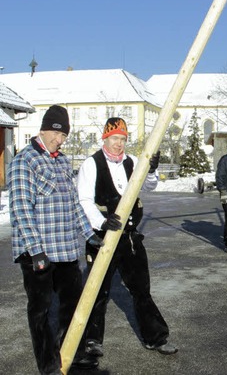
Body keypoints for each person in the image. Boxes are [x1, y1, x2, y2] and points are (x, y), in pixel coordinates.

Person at [8, 105, 99, 373]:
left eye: (63, 136)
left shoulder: (61, 160)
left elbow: (74, 205)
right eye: (56, 134)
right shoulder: (25, 161)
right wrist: (36, 252)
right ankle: (48, 365)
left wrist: (90, 235)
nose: (59, 140)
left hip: (66, 251)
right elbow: (21, 209)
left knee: (72, 305)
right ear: (44, 129)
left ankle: (74, 351)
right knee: (41, 312)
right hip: (39, 253)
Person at [77, 117, 178, 358]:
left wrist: (151, 170)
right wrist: (102, 222)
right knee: (97, 291)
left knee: (141, 289)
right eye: (114, 139)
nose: (119, 144)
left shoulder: (132, 161)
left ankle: (156, 337)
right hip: (102, 238)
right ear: (105, 138)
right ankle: (91, 341)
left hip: (130, 239)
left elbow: (149, 186)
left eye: (123, 139)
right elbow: (84, 201)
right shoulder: (91, 164)